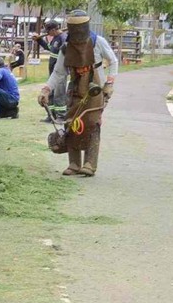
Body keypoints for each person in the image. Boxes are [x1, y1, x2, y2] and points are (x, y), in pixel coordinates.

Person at [39, 9, 118, 177]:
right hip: (75, 87)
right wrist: (46, 90)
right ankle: (74, 164)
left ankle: (90, 163)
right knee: (72, 123)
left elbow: (113, 61)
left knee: (92, 123)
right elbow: (59, 73)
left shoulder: (98, 42)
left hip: (95, 89)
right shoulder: (66, 47)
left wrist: (109, 83)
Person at [32, 20, 67, 121]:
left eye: (48, 31)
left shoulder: (63, 38)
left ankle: (61, 116)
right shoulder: (55, 38)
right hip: (52, 72)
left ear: (53, 30)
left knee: (59, 94)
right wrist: (39, 40)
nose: (47, 33)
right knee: (50, 94)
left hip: (60, 72)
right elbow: (49, 48)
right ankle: (51, 116)